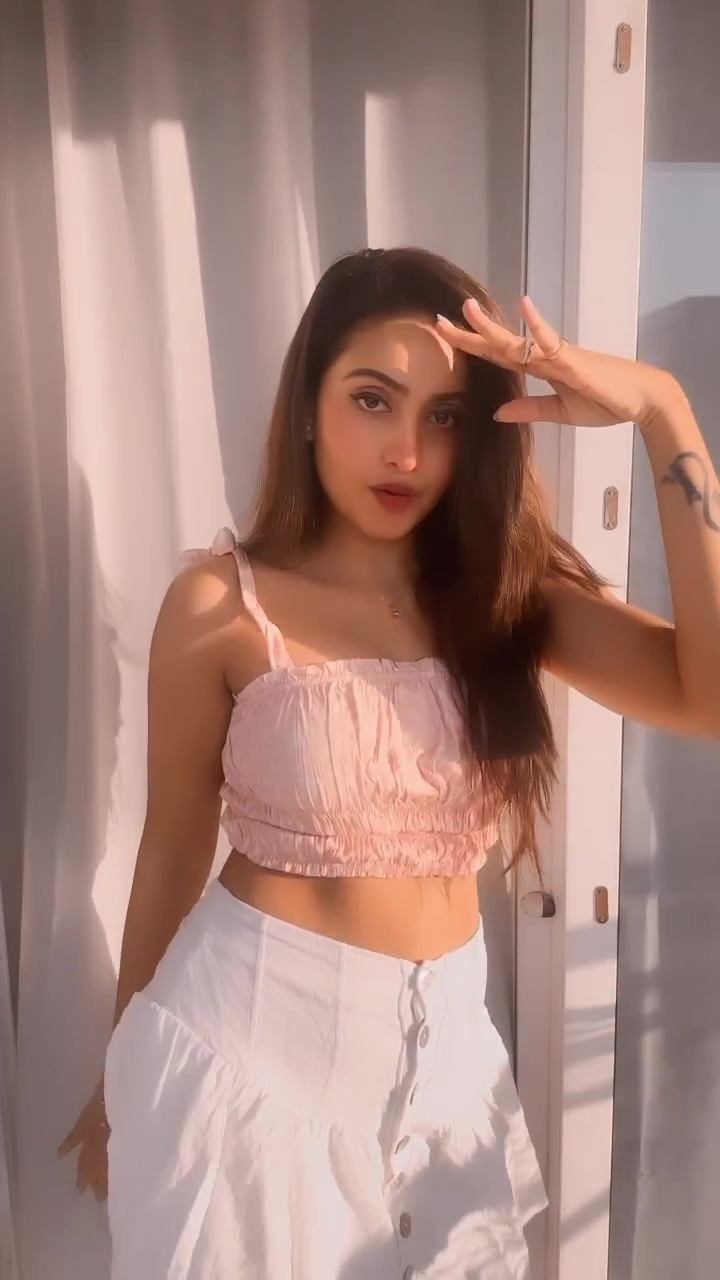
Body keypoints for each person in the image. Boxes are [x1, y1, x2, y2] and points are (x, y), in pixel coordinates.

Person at [59, 247, 720, 1279]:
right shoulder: (220, 607)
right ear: (308, 406)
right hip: (248, 1080)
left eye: (445, 416)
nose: (407, 450)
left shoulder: (507, 600)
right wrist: (120, 1072)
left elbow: (707, 694)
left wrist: (663, 409)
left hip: (446, 1086)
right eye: (373, 399)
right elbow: (172, 849)